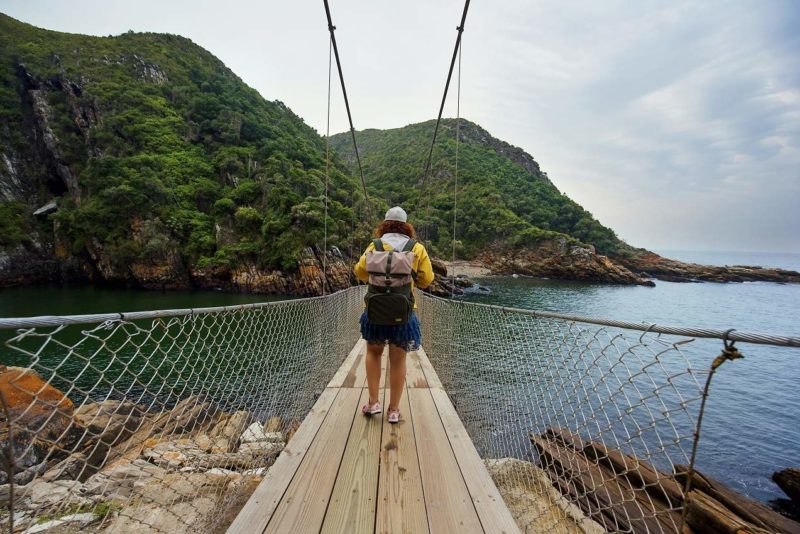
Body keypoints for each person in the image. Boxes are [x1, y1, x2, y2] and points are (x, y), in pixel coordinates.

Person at [353, 206, 434, 423]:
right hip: (404, 313)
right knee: (398, 360)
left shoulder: (375, 245)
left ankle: (372, 403)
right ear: (407, 226)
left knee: (373, 353)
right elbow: (426, 280)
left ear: (385, 224)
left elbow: (359, 272)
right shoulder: (416, 248)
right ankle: (394, 410)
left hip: (375, 312)